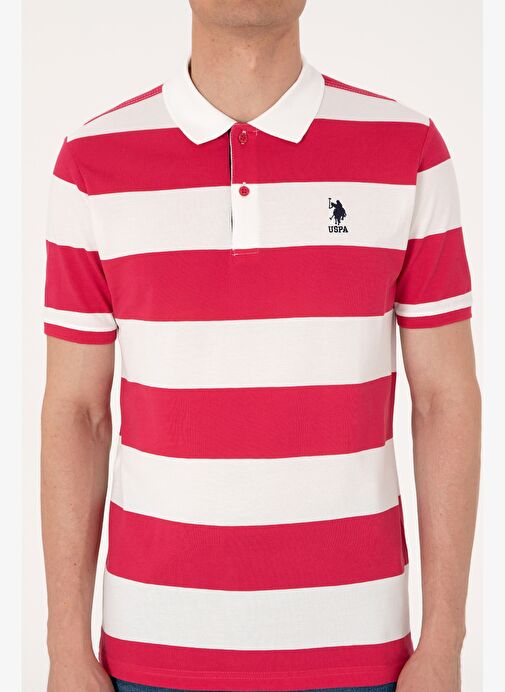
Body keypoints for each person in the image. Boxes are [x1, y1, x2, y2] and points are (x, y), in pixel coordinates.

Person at [41, 1, 481, 691]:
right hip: (151, 650)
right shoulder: (91, 161)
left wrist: (445, 641)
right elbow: (78, 413)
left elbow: (444, 400)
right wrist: (65, 649)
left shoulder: (408, 149)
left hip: (361, 653)